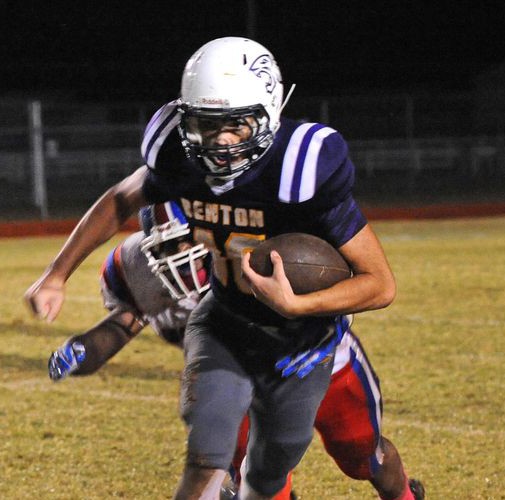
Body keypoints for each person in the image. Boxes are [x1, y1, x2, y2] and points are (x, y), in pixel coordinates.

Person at [24, 37, 424, 499]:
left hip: (309, 345)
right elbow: (120, 199)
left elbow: (380, 284)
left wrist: (299, 304)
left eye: (238, 124)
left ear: (269, 111)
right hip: (228, 326)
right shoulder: (177, 159)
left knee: (361, 453)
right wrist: (56, 275)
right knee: (225, 465)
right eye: (206, 125)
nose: (221, 140)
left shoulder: (299, 170)